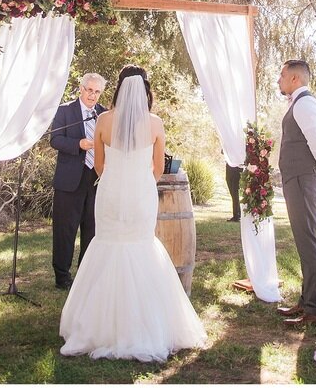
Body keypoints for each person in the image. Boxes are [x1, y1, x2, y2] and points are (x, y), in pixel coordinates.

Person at [59, 65, 207, 361]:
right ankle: (146, 324)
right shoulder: (154, 123)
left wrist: (116, 178)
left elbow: (99, 165)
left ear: (118, 88)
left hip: (110, 193)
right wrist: (139, 182)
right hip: (140, 194)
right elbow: (157, 168)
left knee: (107, 245)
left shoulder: (102, 120)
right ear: (145, 90)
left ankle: (98, 326)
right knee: (141, 247)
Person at [276, 59, 316, 326]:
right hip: (299, 179)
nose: (278, 80)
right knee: (304, 241)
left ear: (295, 79)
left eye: (282, 75)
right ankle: (307, 300)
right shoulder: (298, 104)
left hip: (305, 179)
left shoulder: (306, 104)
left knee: (308, 241)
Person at [50, 72, 107, 289]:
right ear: (81, 89)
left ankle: (85, 275)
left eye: (97, 92)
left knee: (92, 230)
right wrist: (78, 145)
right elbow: (55, 140)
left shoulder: (104, 115)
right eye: (89, 90)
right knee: (65, 230)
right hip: (69, 180)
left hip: (96, 179)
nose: (92, 95)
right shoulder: (65, 111)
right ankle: (62, 276)